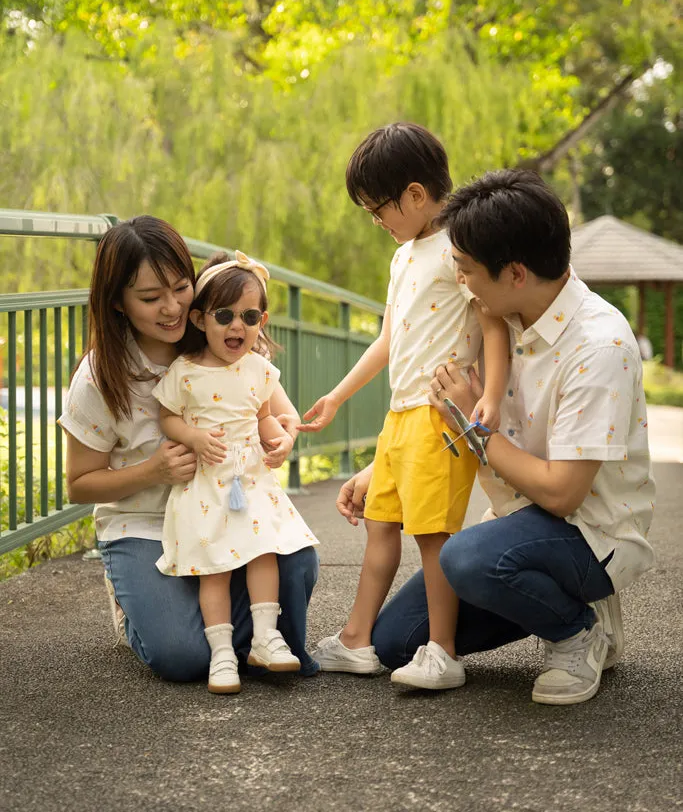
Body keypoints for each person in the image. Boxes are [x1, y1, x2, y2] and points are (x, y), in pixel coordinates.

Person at [337, 169, 655, 706]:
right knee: (396, 642)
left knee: (465, 559)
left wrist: (472, 425)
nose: (458, 281)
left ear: (514, 273)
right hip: (514, 525)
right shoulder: (499, 318)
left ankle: (576, 630)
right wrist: (381, 468)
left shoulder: (600, 347)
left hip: (591, 533)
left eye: (464, 270)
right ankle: (548, 599)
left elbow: (561, 494)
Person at [59, 216, 319, 683]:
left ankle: (235, 636)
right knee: (182, 657)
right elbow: (79, 485)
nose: (172, 307)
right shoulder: (101, 375)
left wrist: (281, 434)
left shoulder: (217, 335)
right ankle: (146, 612)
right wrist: (152, 471)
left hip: (222, 509)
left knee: (296, 559)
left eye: (180, 288)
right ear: (117, 302)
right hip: (142, 525)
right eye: (150, 298)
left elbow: (279, 413)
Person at [300, 123, 510, 689]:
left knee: (432, 535)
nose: (378, 223)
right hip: (400, 415)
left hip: (440, 414)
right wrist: (338, 397)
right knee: (380, 525)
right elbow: (389, 339)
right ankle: (357, 640)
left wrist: (488, 397)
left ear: (415, 195)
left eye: (379, 210)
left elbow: (492, 323)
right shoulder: (403, 258)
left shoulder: (458, 248)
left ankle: (442, 651)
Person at [153, 250, 319, 693]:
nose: (236, 326)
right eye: (224, 314)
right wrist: (190, 437)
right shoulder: (184, 373)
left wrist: (278, 440)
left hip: (250, 479)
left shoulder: (259, 370)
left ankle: (265, 636)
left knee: (264, 553)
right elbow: (167, 418)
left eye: (249, 316)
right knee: (216, 568)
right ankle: (222, 652)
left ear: (261, 321)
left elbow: (264, 416)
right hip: (207, 484)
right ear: (199, 319)